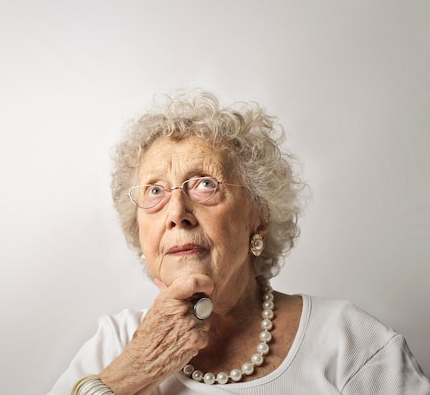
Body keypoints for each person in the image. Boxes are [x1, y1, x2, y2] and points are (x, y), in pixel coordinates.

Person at [49, 90, 430, 394]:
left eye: (204, 184)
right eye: (155, 191)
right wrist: (127, 375)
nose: (176, 212)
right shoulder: (115, 344)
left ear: (258, 218)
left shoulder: (349, 341)